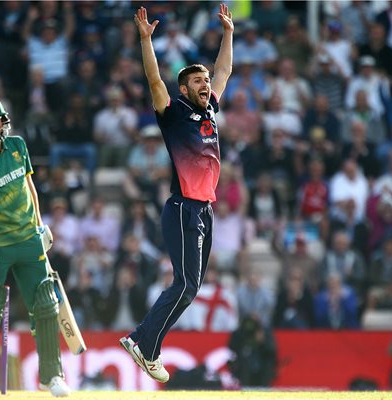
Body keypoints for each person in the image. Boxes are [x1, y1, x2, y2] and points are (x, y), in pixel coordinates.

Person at [119, 4, 233, 383]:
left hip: (205, 210)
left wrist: (228, 34)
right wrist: (146, 42)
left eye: (206, 81)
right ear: (184, 88)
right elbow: (154, 82)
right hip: (184, 206)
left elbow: (224, 71)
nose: (207, 85)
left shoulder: (209, 112)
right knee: (185, 284)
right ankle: (142, 342)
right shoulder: (173, 112)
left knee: (190, 288)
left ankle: (146, 345)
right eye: (198, 82)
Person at [0, 96, 69, 397]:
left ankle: (51, 376)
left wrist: (41, 225)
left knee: (46, 305)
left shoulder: (18, 146)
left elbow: (30, 187)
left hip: (29, 240)